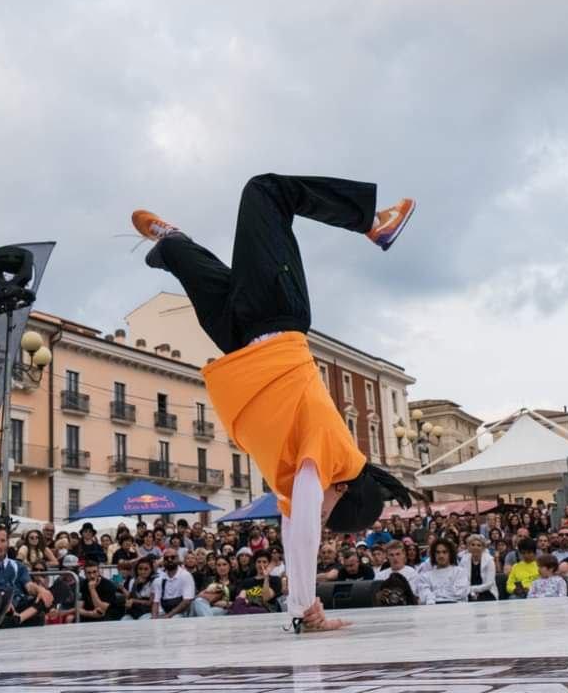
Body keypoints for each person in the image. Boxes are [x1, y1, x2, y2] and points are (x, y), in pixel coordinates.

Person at [131, 174, 415, 633]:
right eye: (326, 512)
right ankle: (372, 222)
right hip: (279, 316)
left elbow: (292, 527)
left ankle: (173, 244)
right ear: (342, 488)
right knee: (264, 190)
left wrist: (299, 607)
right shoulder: (329, 451)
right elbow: (303, 529)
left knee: (190, 264)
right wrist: (305, 605)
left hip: (241, 342)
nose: (316, 517)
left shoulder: (298, 480)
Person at [0, 524, 53, 629]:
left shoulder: (18, 565)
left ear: (8, 542)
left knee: (53, 592)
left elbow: (29, 586)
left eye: (3, 541)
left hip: (20, 607)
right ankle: (22, 616)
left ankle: (19, 618)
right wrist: (3, 601)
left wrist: (40, 590)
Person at [416, 538, 469, 604]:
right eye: (438, 552)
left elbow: (460, 593)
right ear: (434, 555)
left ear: (450, 554)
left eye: (444, 552)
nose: (441, 555)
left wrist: (434, 594)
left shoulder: (460, 572)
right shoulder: (425, 576)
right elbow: (424, 596)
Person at [152, 547, 195, 618]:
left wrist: (169, 615)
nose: (169, 560)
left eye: (172, 557)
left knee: (175, 618)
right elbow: (156, 602)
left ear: (178, 559)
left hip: (182, 613)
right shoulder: (159, 579)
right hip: (165, 612)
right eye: (166, 558)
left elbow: (187, 601)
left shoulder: (185, 575)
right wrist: (154, 619)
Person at [459, 534, 498, 601]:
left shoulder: (489, 560)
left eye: (479, 545)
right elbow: (462, 580)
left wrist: (473, 589)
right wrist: (470, 591)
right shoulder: (464, 560)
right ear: (468, 547)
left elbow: (489, 584)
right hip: (468, 592)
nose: (475, 547)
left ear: (483, 548)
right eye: (473, 545)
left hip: (486, 591)